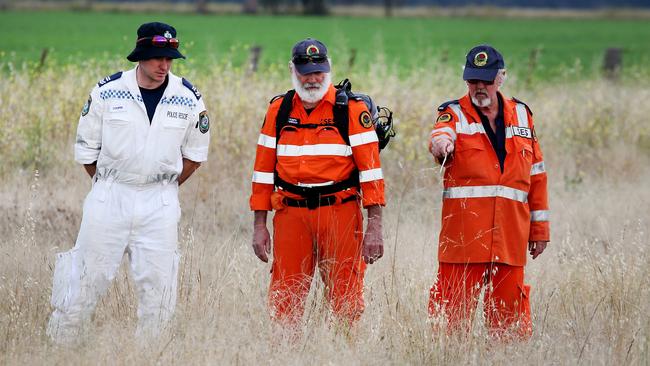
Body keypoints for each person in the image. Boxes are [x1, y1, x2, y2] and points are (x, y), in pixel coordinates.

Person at [46, 22, 210, 343]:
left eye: (169, 58)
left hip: (160, 200)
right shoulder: (107, 92)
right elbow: (87, 152)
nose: (164, 65)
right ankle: (61, 348)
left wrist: (162, 186)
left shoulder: (188, 98)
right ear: (140, 56)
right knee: (84, 280)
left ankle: (150, 355)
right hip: (110, 195)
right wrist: (112, 184)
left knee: (160, 290)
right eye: (157, 58)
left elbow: (195, 155)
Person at [250, 38, 385, 328]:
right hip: (290, 215)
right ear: (292, 70)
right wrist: (259, 225)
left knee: (346, 299)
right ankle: (284, 355)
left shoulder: (350, 109)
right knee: (285, 300)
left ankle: (344, 353)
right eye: (305, 72)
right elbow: (262, 173)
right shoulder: (279, 109)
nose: (312, 79)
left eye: (319, 72)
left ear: (329, 70)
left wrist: (375, 226)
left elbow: (372, 173)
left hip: (340, 214)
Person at [427, 44, 549, 338]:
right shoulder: (452, 114)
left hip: (510, 238)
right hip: (463, 241)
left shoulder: (522, 115)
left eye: (486, 80)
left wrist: (540, 230)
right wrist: (441, 146)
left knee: (509, 327)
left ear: (501, 78)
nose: (479, 87)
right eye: (473, 80)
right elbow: (439, 135)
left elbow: (537, 176)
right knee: (451, 325)